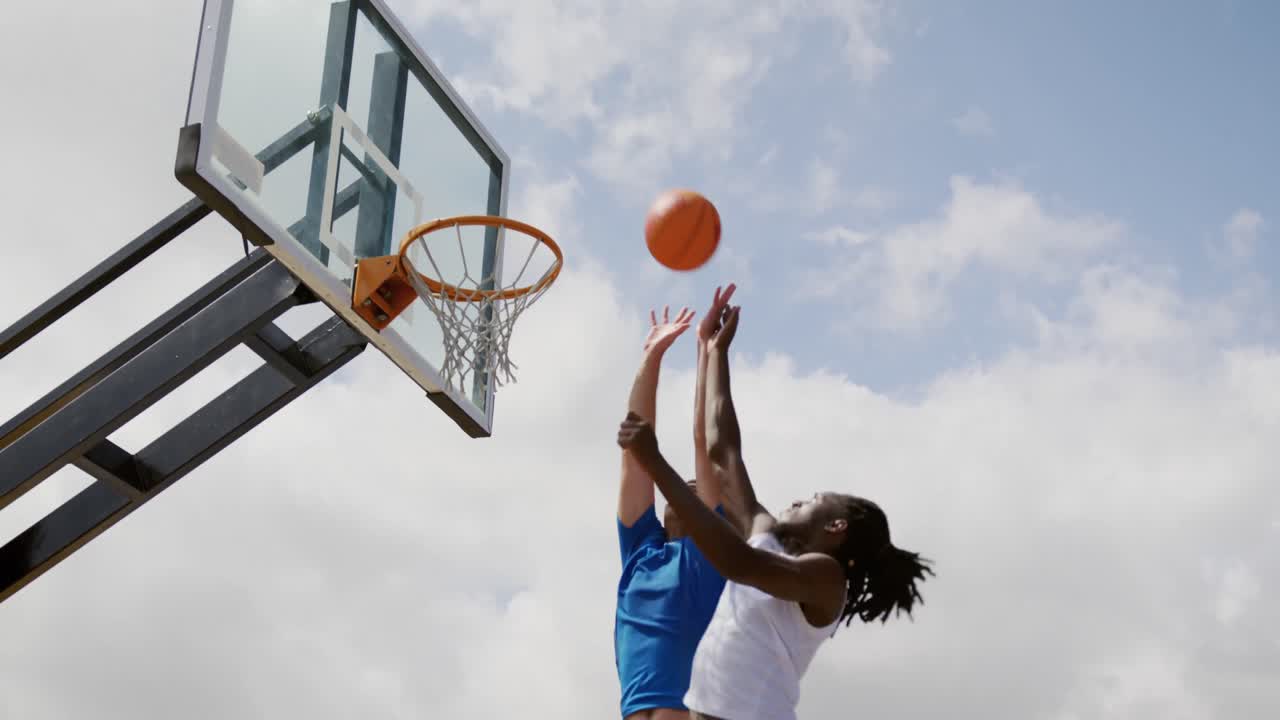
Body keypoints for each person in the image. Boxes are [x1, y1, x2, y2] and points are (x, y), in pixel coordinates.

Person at [616, 300, 934, 720]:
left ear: (836, 526)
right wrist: (714, 353)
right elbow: (721, 448)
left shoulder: (826, 580)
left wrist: (656, 463)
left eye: (814, 499)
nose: (800, 499)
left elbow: (738, 561)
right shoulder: (765, 533)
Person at [615, 287, 745, 720]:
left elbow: (702, 441)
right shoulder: (641, 553)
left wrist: (706, 351)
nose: (691, 483)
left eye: (698, 487)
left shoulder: (706, 559)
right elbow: (635, 458)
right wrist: (652, 356)